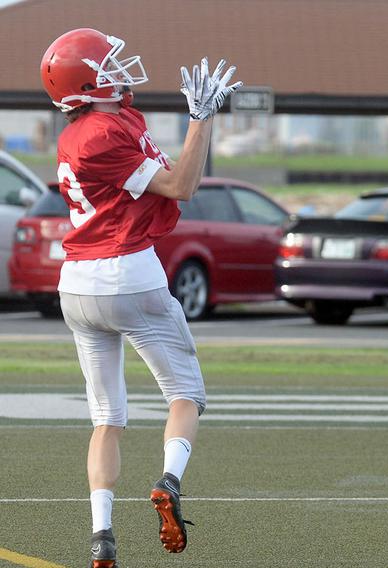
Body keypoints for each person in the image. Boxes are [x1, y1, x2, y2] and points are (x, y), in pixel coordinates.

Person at [40, 28, 241, 567]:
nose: (121, 72)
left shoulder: (83, 131)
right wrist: (202, 118)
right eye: (108, 66)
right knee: (185, 395)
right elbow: (181, 187)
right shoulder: (104, 133)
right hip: (128, 272)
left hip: (77, 284)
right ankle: (170, 481)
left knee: (106, 417)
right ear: (86, 85)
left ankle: (101, 537)